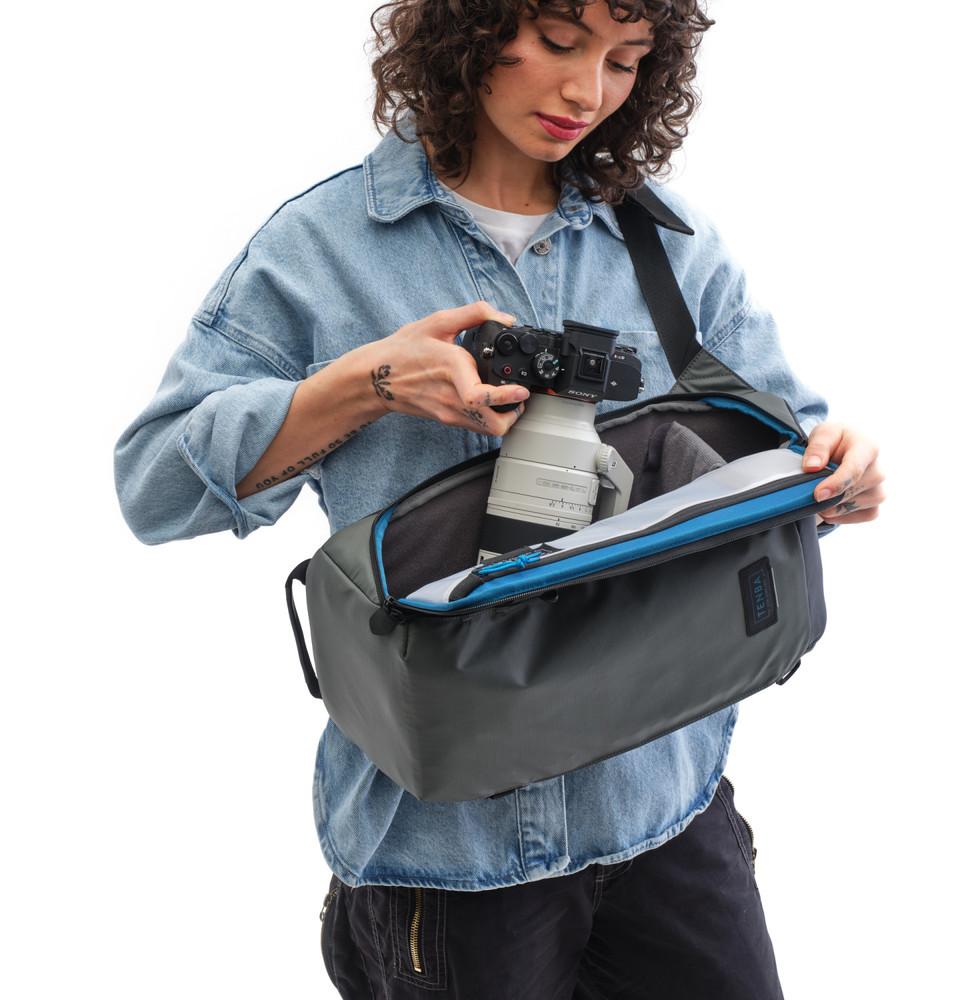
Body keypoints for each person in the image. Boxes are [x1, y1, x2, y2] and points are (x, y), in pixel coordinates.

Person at [113, 1, 886, 996]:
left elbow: (785, 447)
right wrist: (369, 383)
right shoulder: (322, 248)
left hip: (668, 812)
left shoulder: (666, 244)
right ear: (470, 29)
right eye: (560, 43)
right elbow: (154, 488)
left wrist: (834, 474)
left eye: (624, 61)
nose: (586, 91)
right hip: (449, 860)